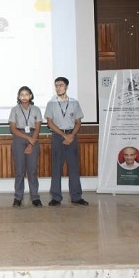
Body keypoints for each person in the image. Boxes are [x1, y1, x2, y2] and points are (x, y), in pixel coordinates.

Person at [44, 77, 88, 206]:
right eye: (56, 85)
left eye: (61, 85)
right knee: (56, 168)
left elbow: (78, 122)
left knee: (74, 168)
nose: (58, 88)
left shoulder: (74, 103)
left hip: (72, 136)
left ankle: (76, 196)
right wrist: (64, 135)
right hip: (58, 137)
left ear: (66, 87)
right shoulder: (51, 103)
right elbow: (50, 123)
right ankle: (56, 197)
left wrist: (71, 135)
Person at [9, 86, 43, 207]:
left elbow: (38, 127)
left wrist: (31, 142)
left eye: (26, 94)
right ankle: (18, 197)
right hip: (19, 137)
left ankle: (35, 197)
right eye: (21, 94)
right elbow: (13, 129)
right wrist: (28, 139)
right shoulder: (14, 110)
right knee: (19, 171)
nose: (24, 97)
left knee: (32, 170)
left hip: (33, 136)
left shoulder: (36, 109)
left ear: (31, 96)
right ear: (18, 97)